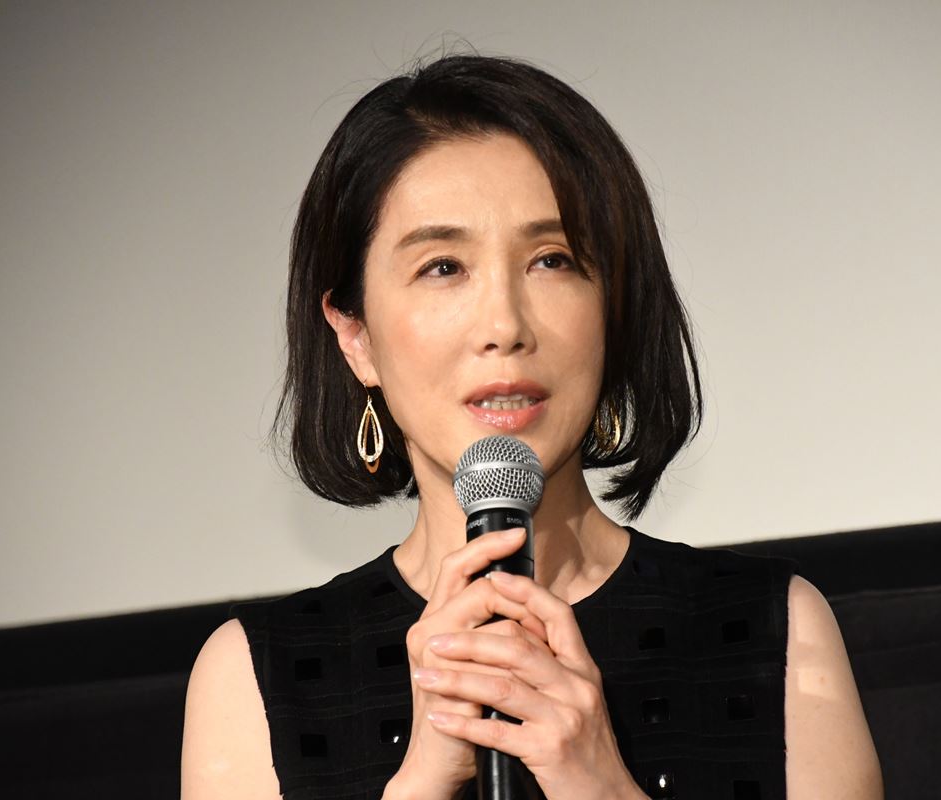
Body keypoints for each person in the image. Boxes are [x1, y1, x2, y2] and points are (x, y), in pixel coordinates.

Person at [180, 54, 882, 800]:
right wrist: (422, 781)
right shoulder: (255, 678)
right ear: (356, 336)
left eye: (552, 259)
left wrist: (599, 783)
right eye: (443, 267)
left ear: (613, 308)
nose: (504, 325)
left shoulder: (774, 632)